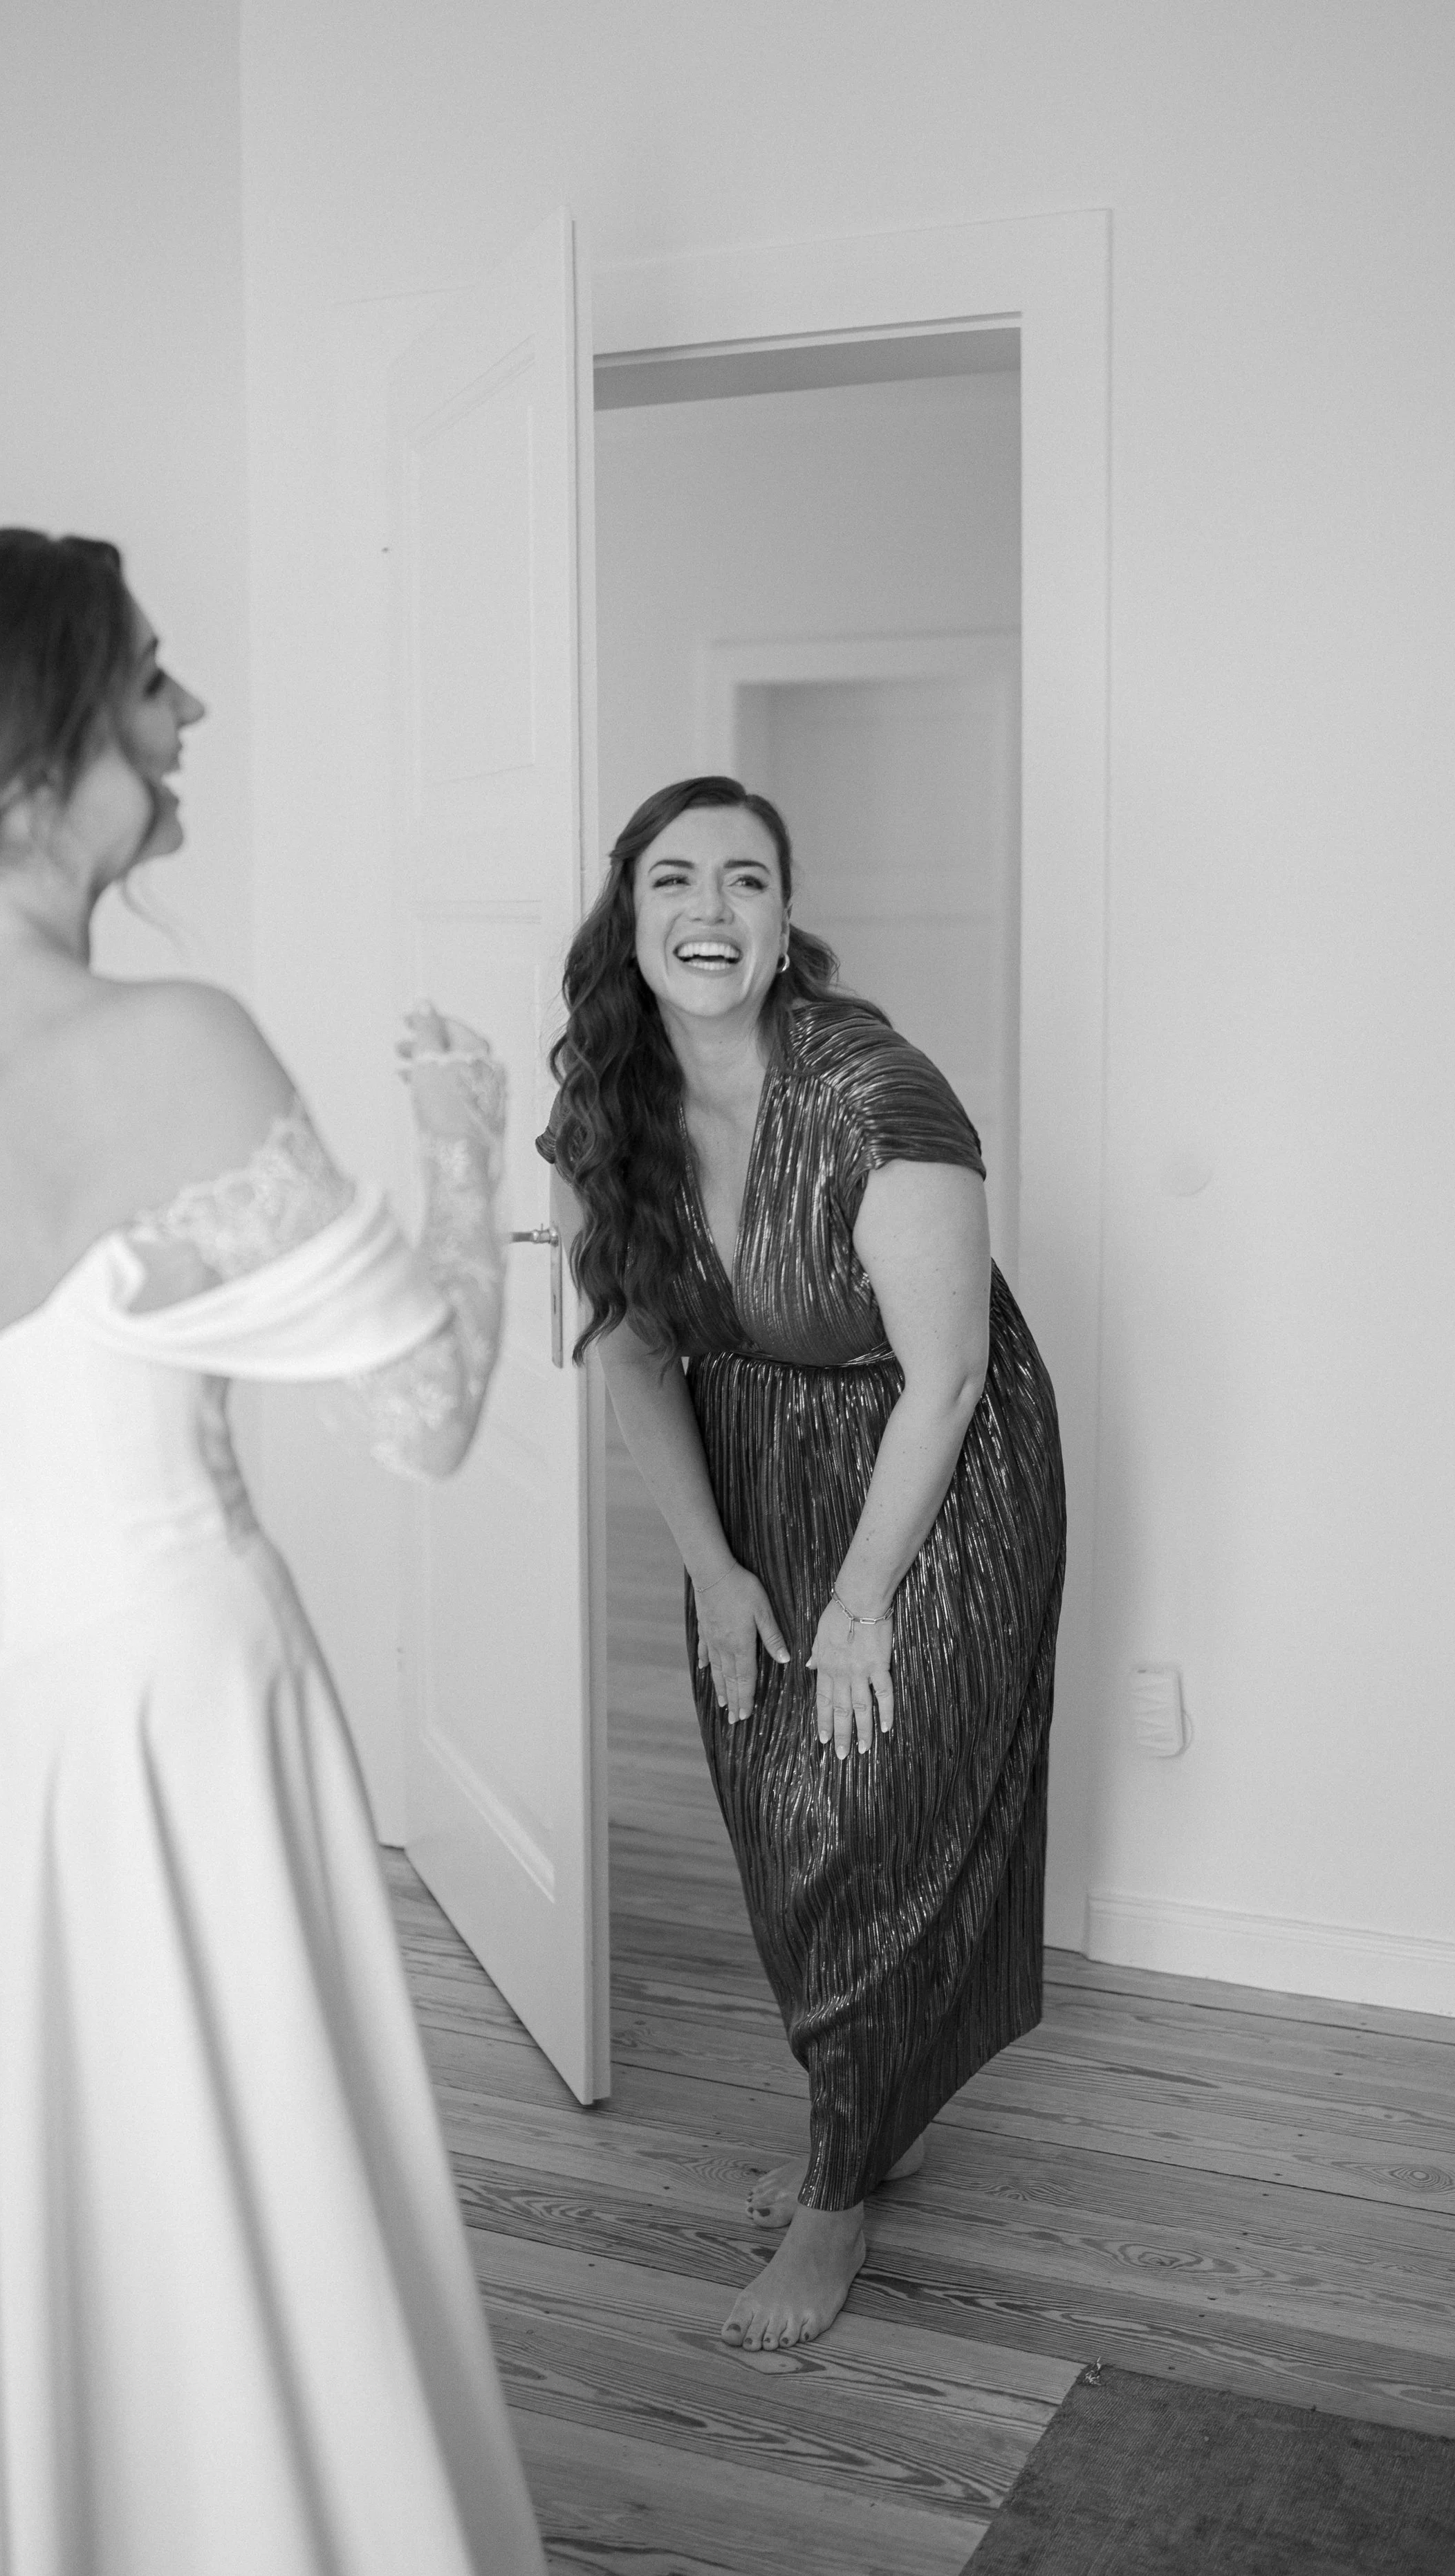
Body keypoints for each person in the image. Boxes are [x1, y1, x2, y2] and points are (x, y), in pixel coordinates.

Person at [0, 529, 550, 2576]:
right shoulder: (169, 1045)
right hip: (165, 1689)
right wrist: (468, 1141)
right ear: (43, 751)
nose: (187, 711)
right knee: (223, 2160)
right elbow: (423, 1413)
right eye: (149, 681)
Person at [541, 775, 1066, 2353]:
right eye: (675, 884)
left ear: (783, 925)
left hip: (931, 1479)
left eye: (746, 884)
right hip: (747, 1471)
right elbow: (633, 1363)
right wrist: (710, 1567)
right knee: (777, 1820)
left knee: (866, 1819)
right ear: (628, 920)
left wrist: (859, 1604)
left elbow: (950, 1377)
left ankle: (838, 2195)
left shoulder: (873, 1094)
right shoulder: (600, 1109)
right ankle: (866, 2108)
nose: (711, 913)